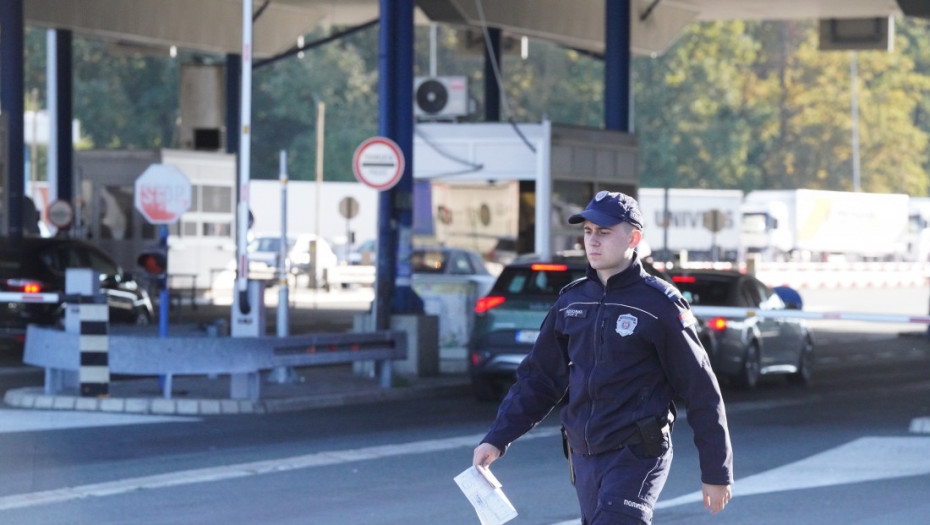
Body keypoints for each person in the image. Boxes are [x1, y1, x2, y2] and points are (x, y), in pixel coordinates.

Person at [472, 191, 733, 524]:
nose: (592, 241)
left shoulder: (659, 305)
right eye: (588, 231)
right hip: (584, 456)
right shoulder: (571, 302)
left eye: (604, 232)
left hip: (637, 453)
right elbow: (538, 379)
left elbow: (701, 390)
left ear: (634, 238)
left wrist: (717, 471)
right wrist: (497, 437)